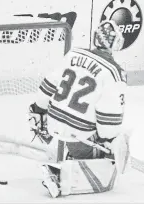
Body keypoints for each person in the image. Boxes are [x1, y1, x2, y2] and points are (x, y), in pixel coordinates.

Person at [28, 20, 128, 198]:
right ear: (117, 43)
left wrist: (38, 110)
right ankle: (61, 175)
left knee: (81, 132)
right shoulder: (113, 72)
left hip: (52, 125)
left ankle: (70, 159)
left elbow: (48, 85)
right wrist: (111, 145)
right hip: (79, 139)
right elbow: (108, 122)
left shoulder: (73, 54)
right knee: (115, 147)